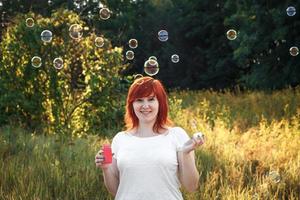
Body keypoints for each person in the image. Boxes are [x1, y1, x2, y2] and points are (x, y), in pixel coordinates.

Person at [95, 76, 204, 200]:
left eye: (151, 99)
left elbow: (191, 187)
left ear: (160, 103)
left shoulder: (176, 135)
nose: (145, 106)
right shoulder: (120, 139)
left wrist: (185, 153)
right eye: (139, 100)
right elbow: (116, 190)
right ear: (132, 104)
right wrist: (105, 168)